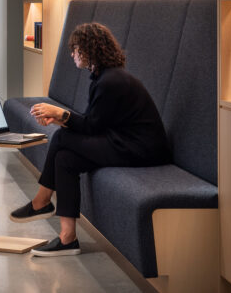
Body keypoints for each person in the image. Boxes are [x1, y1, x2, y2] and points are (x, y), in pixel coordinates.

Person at [10, 22, 170, 257]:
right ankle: (68, 238)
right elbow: (94, 122)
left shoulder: (110, 82)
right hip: (121, 140)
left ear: (88, 50)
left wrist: (59, 114)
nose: (72, 54)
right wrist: (57, 118)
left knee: (63, 138)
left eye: (75, 49)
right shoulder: (104, 77)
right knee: (65, 158)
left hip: (140, 149)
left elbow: (92, 126)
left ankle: (41, 201)